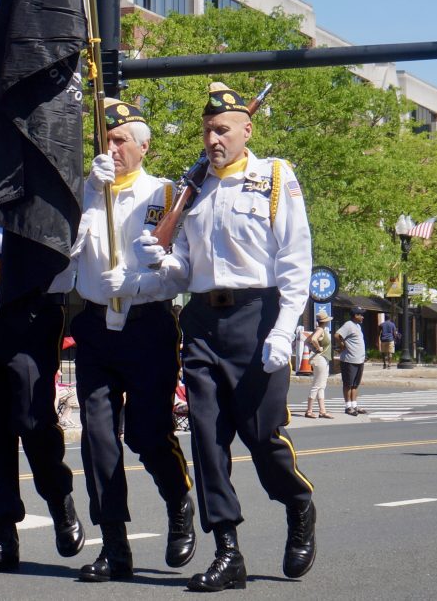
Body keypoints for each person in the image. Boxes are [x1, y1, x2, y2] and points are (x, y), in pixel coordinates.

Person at [117, 82, 316, 590]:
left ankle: (297, 503)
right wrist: (163, 259)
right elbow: (187, 268)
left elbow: (294, 261)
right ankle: (228, 549)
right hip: (204, 320)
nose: (213, 138)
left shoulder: (273, 177)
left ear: (247, 130)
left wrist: (285, 329)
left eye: (222, 129)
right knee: (206, 438)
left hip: (259, 316)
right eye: (207, 130)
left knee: (262, 436)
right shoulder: (196, 185)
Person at [69, 99, 196, 582]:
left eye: (122, 139)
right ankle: (114, 543)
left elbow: (177, 272)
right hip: (97, 326)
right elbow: (67, 253)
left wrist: (138, 285)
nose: (112, 147)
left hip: (146, 325)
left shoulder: (164, 195)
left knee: (146, 433)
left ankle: (177, 502)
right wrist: (87, 193)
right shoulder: (89, 190)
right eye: (106, 138)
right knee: (99, 439)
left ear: (144, 146)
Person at [0, 183, 83, 575]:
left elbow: (65, 249)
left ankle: (58, 498)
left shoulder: (47, 180)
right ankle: (3, 535)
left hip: (31, 312)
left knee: (31, 419)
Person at [334, 309, 368, 416]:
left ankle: (354, 405)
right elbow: (337, 335)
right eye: (361, 315)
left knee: (355, 384)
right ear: (355, 315)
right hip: (349, 359)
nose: (363, 317)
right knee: (348, 384)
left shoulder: (358, 326)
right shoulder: (348, 325)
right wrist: (342, 345)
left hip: (359, 359)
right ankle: (348, 406)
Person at [303, 312, 334, 419]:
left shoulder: (319, 329)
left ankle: (322, 410)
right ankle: (309, 410)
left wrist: (314, 349)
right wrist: (317, 348)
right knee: (317, 385)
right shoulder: (320, 330)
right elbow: (312, 340)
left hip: (321, 358)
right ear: (325, 321)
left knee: (321, 385)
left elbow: (306, 342)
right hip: (321, 359)